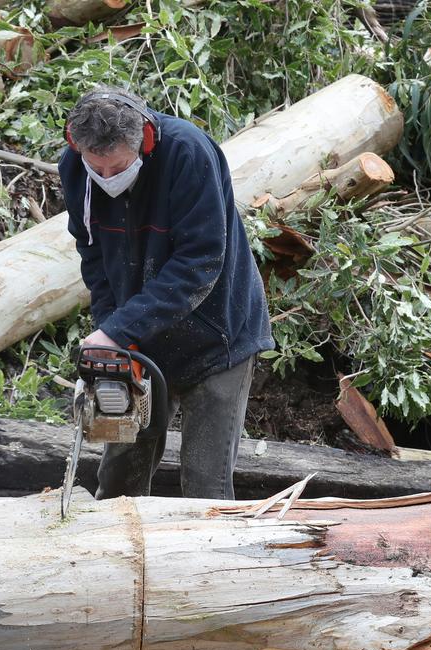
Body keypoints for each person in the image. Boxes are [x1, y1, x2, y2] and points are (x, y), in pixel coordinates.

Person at [58, 86, 273, 501]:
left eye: (115, 167)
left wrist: (119, 331)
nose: (105, 179)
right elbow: (93, 255)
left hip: (216, 332)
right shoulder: (74, 167)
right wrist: (111, 329)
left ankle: (205, 561)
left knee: (205, 484)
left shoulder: (187, 153)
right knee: (119, 477)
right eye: (94, 168)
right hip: (140, 335)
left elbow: (201, 261)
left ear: (144, 142)